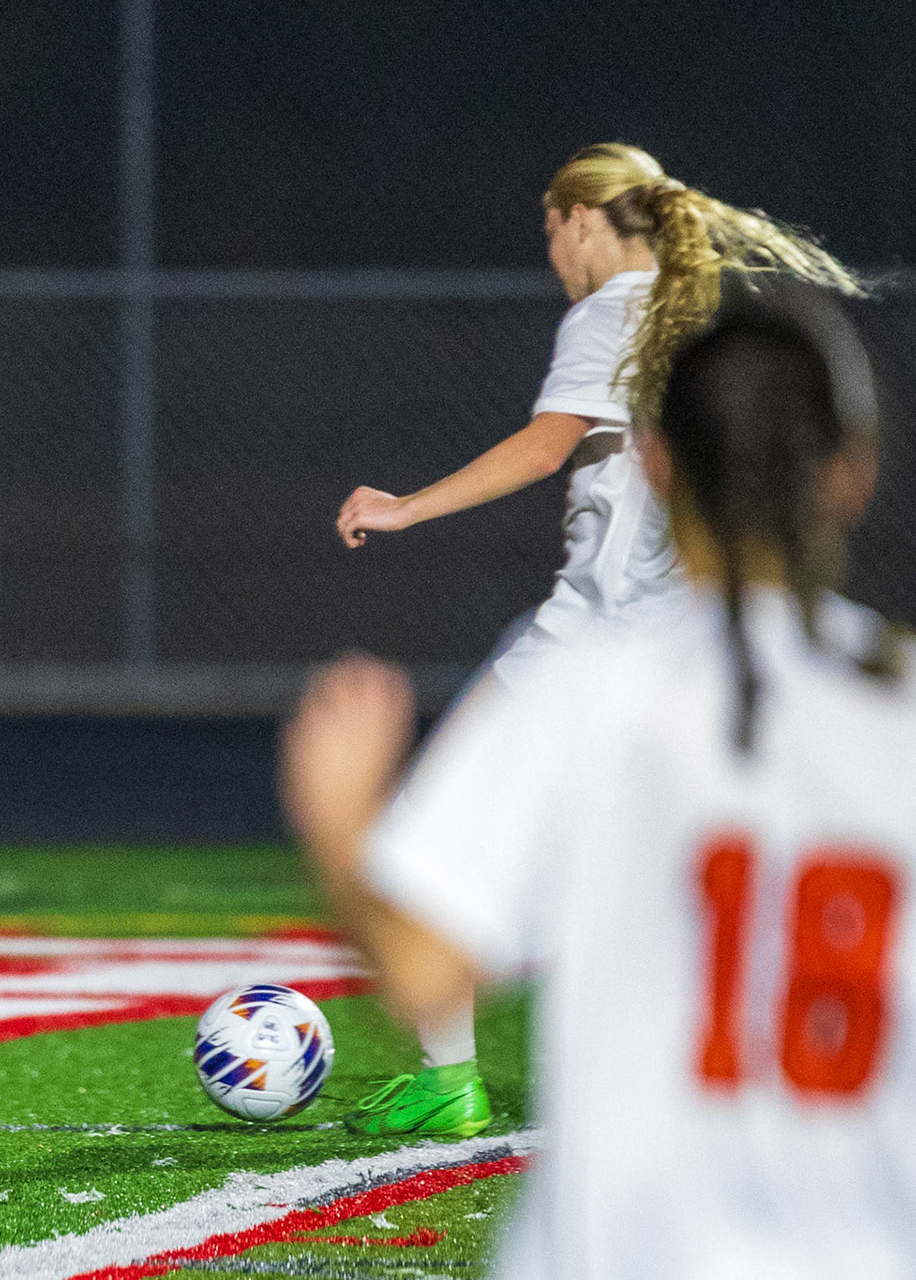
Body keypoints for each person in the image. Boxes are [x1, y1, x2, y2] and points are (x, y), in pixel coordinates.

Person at [285, 290, 914, 1276]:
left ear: (654, 466)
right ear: (856, 474)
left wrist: (338, 819)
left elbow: (423, 972)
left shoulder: (590, 687)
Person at [330, 144, 866, 1137]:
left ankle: (450, 1078)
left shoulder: (610, 310)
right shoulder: (691, 311)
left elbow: (547, 446)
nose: (552, 255)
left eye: (551, 230)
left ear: (582, 219)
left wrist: (405, 506)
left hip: (596, 630)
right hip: (691, 617)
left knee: (430, 816)